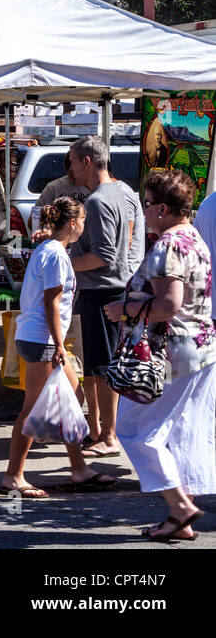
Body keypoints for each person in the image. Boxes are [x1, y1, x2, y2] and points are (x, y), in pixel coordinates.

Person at [107, 169, 216, 541]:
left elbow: (168, 305)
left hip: (170, 354)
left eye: (148, 204)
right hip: (198, 349)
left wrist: (123, 310)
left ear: (164, 209)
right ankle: (177, 515)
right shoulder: (194, 237)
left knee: (134, 430)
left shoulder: (170, 244)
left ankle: (181, 506)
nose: (145, 210)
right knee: (176, 432)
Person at [4, 198, 115, 496]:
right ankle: (14, 476)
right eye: (83, 220)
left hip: (40, 338)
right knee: (31, 409)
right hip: (42, 340)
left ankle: (78, 467)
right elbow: (51, 301)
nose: (85, 225)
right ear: (72, 223)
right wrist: (58, 344)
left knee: (73, 396)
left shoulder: (50, 250)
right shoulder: (55, 254)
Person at [66, 135, 135, 459]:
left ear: (87, 162)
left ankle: (109, 436)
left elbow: (104, 254)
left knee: (104, 366)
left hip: (102, 290)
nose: (70, 169)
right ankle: (98, 431)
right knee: (96, 366)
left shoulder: (98, 200)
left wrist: (62, 261)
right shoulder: (116, 194)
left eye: (72, 161)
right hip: (104, 290)